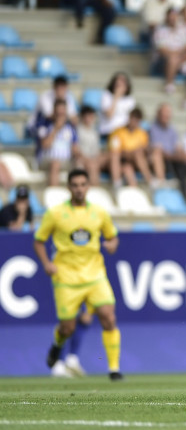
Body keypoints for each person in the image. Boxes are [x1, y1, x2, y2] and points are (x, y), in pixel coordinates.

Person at [35, 169, 123, 381]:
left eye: (83, 184)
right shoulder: (55, 213)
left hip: (94, 274)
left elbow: (113, 236)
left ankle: (114, 369)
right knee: (68, 327)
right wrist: (47, 263)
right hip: (66, 276)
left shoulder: (99, 213)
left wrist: (111, 245)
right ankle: (57, 346)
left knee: (108, 316)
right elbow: (39, 240)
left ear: (88, 187)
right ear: (69, 188)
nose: (79, 189)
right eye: (75, 185)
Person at [108, 107, 164, 188]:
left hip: (139, 161)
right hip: (124, 160)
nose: (134, 122)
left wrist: (151, 149)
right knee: (129, 166)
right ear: (129, 118)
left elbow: (145, 149)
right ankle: (149, 180)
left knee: (156, 152)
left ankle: (161, 181)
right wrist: (132, 152)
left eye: (137, 120)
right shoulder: (118, 132)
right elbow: (115, 151)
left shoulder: (142, 133)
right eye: (133, 118)